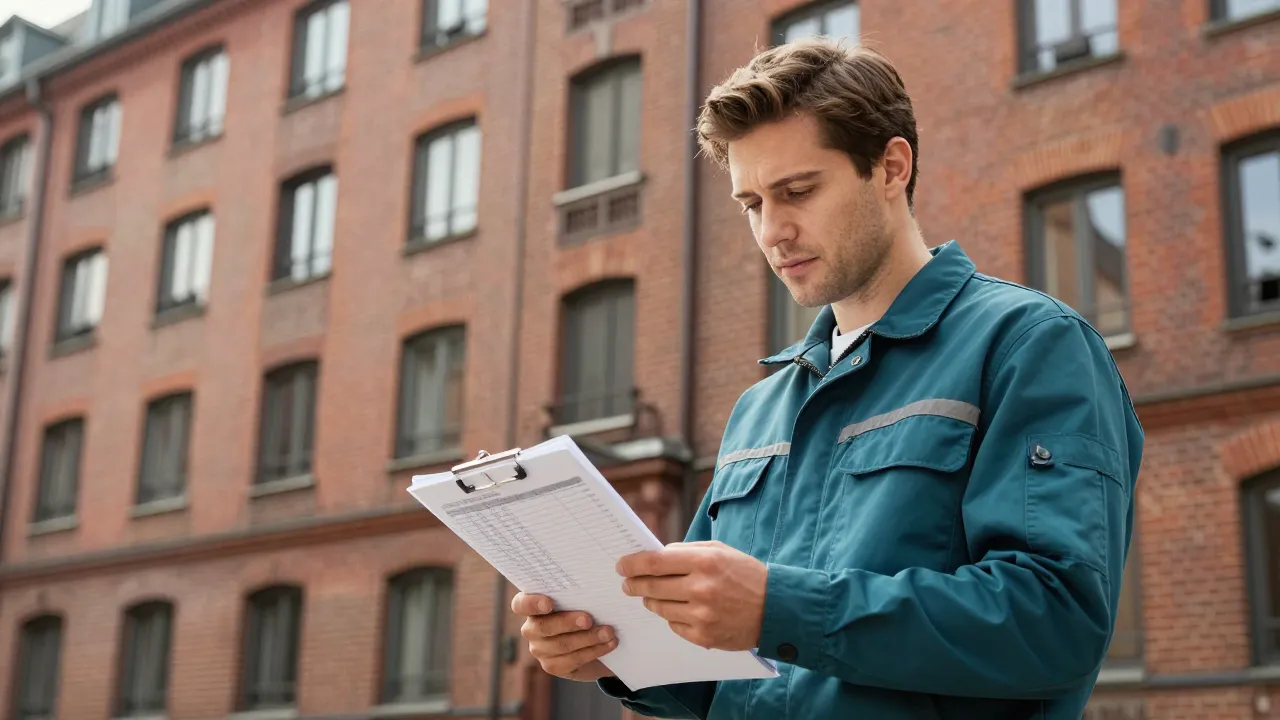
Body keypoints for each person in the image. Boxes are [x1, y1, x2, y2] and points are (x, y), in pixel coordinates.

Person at [511, 37, 1143, 719]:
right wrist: (613, 651)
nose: (773, 231)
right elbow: (708, 669)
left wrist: (777, 608)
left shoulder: (1028, 345)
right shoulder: (760, 409)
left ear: (891, 167)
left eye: (798, 191)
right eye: (752, 202)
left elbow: (1055, 625)